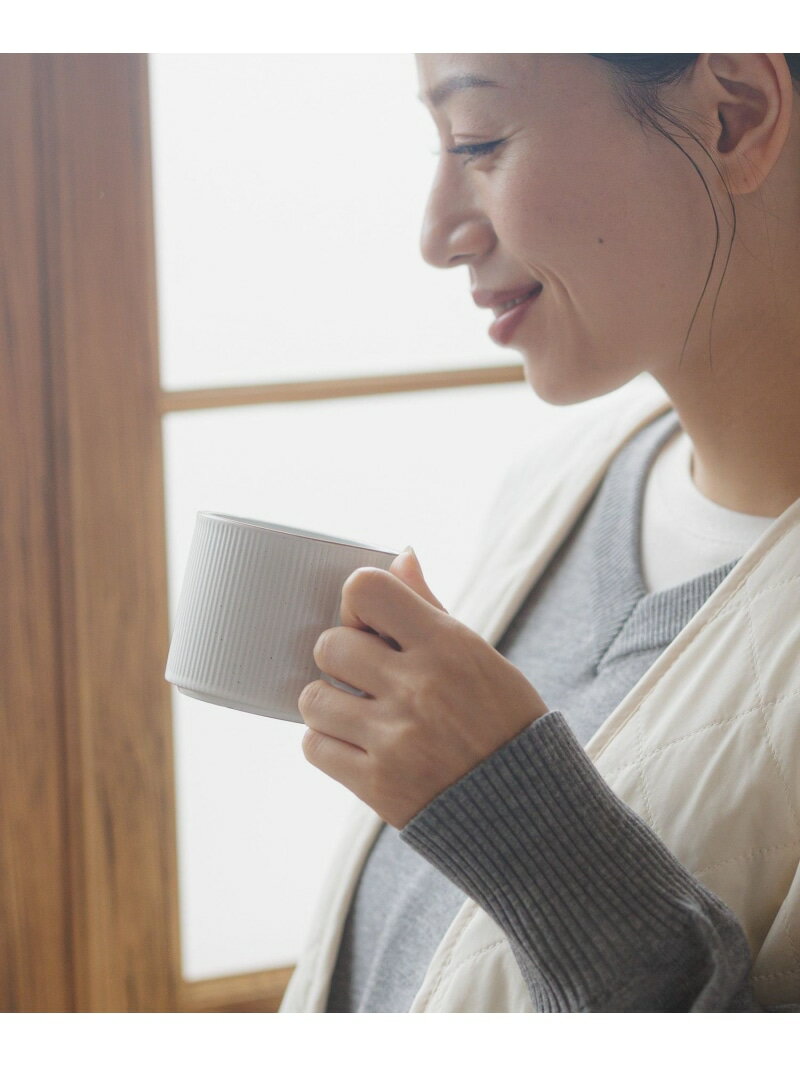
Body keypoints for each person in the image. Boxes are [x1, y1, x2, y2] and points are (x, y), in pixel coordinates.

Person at [280, 54, 800, 1012]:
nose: (437, 235)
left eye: (478, 141)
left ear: (735, 115)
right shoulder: (569, 477)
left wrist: (522, 820)